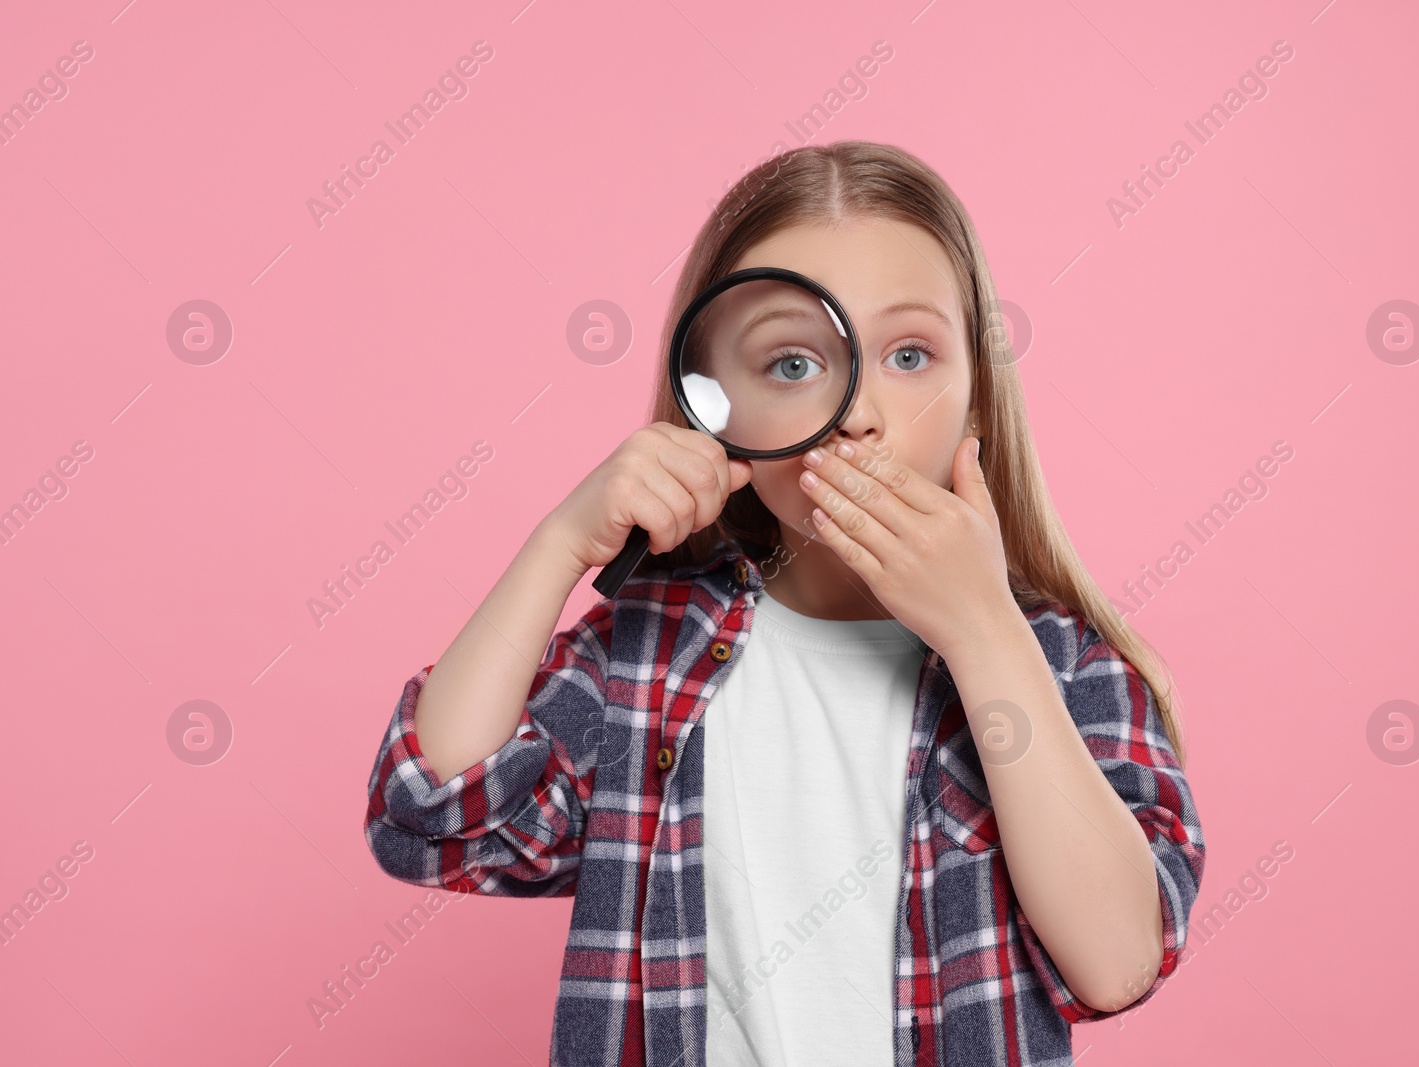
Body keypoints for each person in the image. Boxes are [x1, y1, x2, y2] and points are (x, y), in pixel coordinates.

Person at [363, 140, 1206, 1067]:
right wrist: (560, 543)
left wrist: (983, 631)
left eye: (911, 353)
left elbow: (1119, 960)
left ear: (977, 400)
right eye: (795, 364)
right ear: (713, 408)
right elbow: (431, 813)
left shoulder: (1061, 662)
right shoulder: (647, 652)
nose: (858, 415)